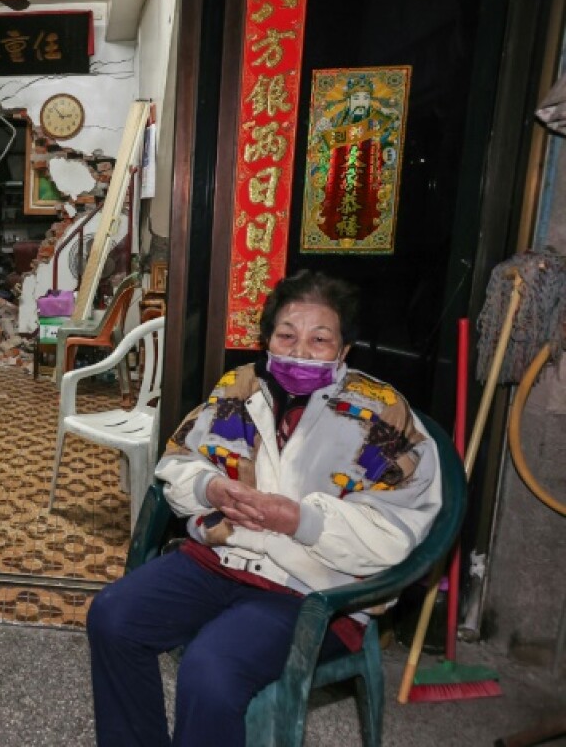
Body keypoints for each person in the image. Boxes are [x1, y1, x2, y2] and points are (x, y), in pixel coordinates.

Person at [87, 270, 442, 747]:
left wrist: (302, 520)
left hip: (312, 587)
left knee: (210, 670)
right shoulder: (240, 389)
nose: (299, 350)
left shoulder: (381, 414)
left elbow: (397, 530)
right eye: (286, 335)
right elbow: (179, 461)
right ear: (267, 340)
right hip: (223, 557)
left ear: (344, 351)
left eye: (320, 339)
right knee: (113, 616)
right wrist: (210, 488)